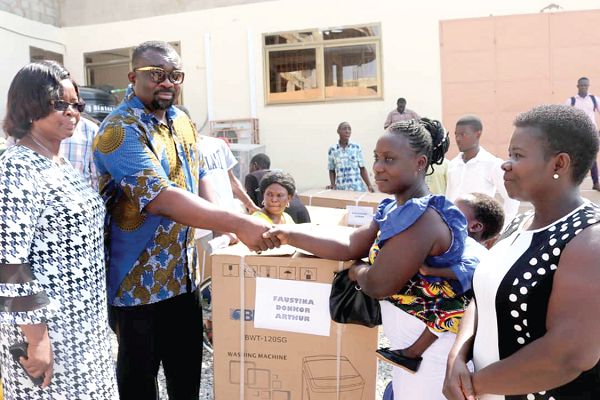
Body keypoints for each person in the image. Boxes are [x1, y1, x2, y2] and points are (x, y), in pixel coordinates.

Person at [93, 41, 277, 400]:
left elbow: (203, 174)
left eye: (174, 75)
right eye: (156, 74)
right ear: (133, 77)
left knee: (186, 374)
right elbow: (160, 199)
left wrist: (233, 221)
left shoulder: (182, 121)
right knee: (139, 381)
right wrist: (237, 224)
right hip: (136, 283)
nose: (167, 82)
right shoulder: (119, 131)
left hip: (183, 276)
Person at [266, 118, 479, 399]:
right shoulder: (393, 207)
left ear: (419, 163)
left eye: (389, 159)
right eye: (377, 158)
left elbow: (379, 284)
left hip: (435, 357)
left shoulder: (423, 220)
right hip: (411, 352)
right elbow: (352, 244)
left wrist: (357, 272)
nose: (378, 167)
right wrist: (289, 234)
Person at [443, 104, 600, 400]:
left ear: (559, 164)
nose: (506, 164)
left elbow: (568, 355)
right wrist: (457, 357)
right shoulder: (518, 223)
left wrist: (472, 386)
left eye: (518, 155)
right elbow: (483, 296)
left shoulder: (589, 238)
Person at [0, 61, 118, 398]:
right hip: (48, 334)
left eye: (76, 105)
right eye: (59, 104)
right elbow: (9, 263)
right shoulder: (15, 168)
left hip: (84, 328)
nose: (72, 113)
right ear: (29, 105)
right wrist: (36, 339)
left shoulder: (60, 164)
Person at [376, 192, 504, 373]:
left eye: (456, 211)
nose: (445, 213)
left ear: (475, 226)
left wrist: (431, 271)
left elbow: (471, 269)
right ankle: (411, 353)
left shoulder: (472, 246)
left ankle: (413, 353)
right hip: (443, 300)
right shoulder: (450, 239)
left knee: (451, 312)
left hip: (456, 300)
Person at [446, 115, 520, 225]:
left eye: (463, 134)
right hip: (452, 228)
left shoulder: (492, 164)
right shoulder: (452, 165)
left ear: (478, 134)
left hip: (478, 229)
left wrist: (501, 230)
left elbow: (512, 198)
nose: (458, 139)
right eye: (456, 135)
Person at [197, 134, 259, 214]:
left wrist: (250, 205)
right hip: (204, 217)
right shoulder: (183, 149)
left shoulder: (218, 144)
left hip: (228, 214)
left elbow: (232, 180)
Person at [245, 153, 311, 223]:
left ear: (289, 198)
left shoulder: (287, 218)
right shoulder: (257, 221)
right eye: (270, 194)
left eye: (279, 195)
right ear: (263, 195)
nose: (274, 200)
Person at [564, 76, 600, 191]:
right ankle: (572, 183)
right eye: (582, 85)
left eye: (586, 85)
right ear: (577, 86)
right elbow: (563, 117)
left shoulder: (594, 99)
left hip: (591, 132)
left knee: (592, 157)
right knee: (576, 157)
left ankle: (596, 182)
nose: (584, 87)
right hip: (577, 134)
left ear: (588, 86)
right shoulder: (571, 101)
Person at [327, 121, 374, 192]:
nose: (347, 131)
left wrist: (369, 185)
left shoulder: (356, 147)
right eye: (344, 129)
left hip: (357, 189)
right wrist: (333, 185)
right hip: (341, 190)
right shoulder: (333, 149)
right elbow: (331, 170)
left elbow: (362, 168)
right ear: (338, 131)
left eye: (349, 129)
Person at [60, 116, 99, 188]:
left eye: (76, 106)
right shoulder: (39, 126)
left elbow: (96, 176)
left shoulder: (90, 129)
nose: (70, 111)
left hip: (79, 194)